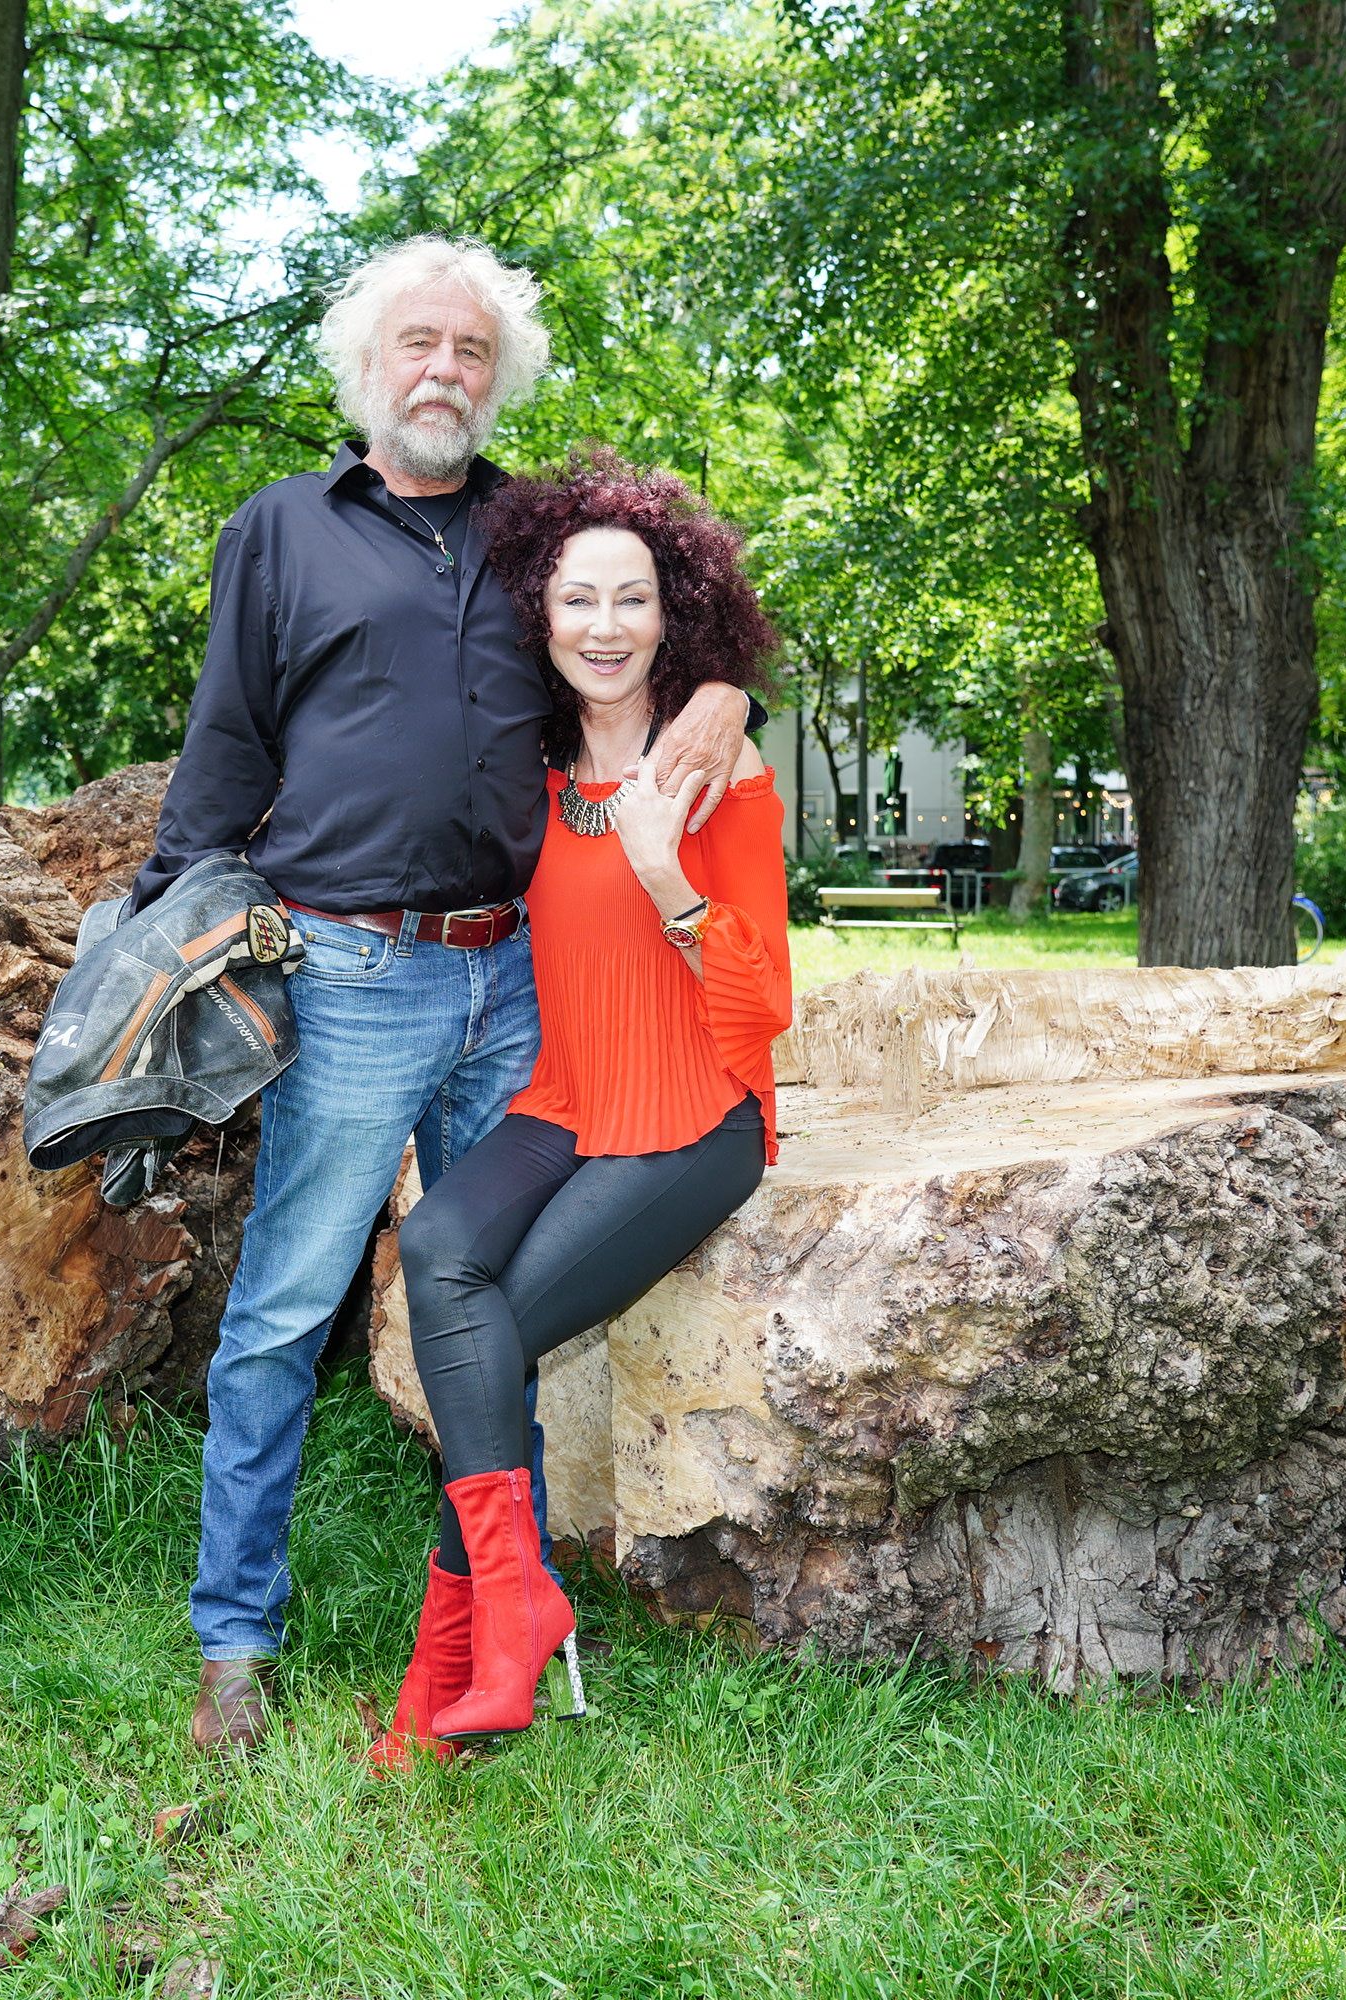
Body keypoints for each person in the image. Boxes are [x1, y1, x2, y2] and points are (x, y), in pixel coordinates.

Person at [131, 239, 756, 1754]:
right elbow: (225, 749)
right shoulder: (281, 532)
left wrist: (737, 688)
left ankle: (499, 1625)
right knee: (286, 1307)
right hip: (350, 977)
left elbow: (656, 629)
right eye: (418, 345)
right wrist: (156, 942)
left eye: (472, 352)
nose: (444, 374)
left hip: (520, 976)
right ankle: (235, 1641)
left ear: (499, 377)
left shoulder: (540, 534)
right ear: (364, 366)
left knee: (490, 1303)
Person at [371, 450, 791, 1765]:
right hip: (567, 1101)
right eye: (576, 603)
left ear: (676, 616)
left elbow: (763, 1003)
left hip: (694, 1116)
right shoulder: (532, 773)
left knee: (478, 1332)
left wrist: (670, 881)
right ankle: (512, 1603)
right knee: (440, 1253)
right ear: (538, 622)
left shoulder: (720, 774)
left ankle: (453, 1671)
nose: (604, 629)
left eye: (633, 601)